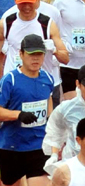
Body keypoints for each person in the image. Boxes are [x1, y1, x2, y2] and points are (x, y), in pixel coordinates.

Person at [0, 33, 54, 186]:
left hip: (39, 145)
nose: (36, 59)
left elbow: (48, 98)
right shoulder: (10, 80)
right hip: (13, 147)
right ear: (21, 54)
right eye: (31, 55)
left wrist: (50, 118)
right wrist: (18, 115)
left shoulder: (48, 79)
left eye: (39, 55)